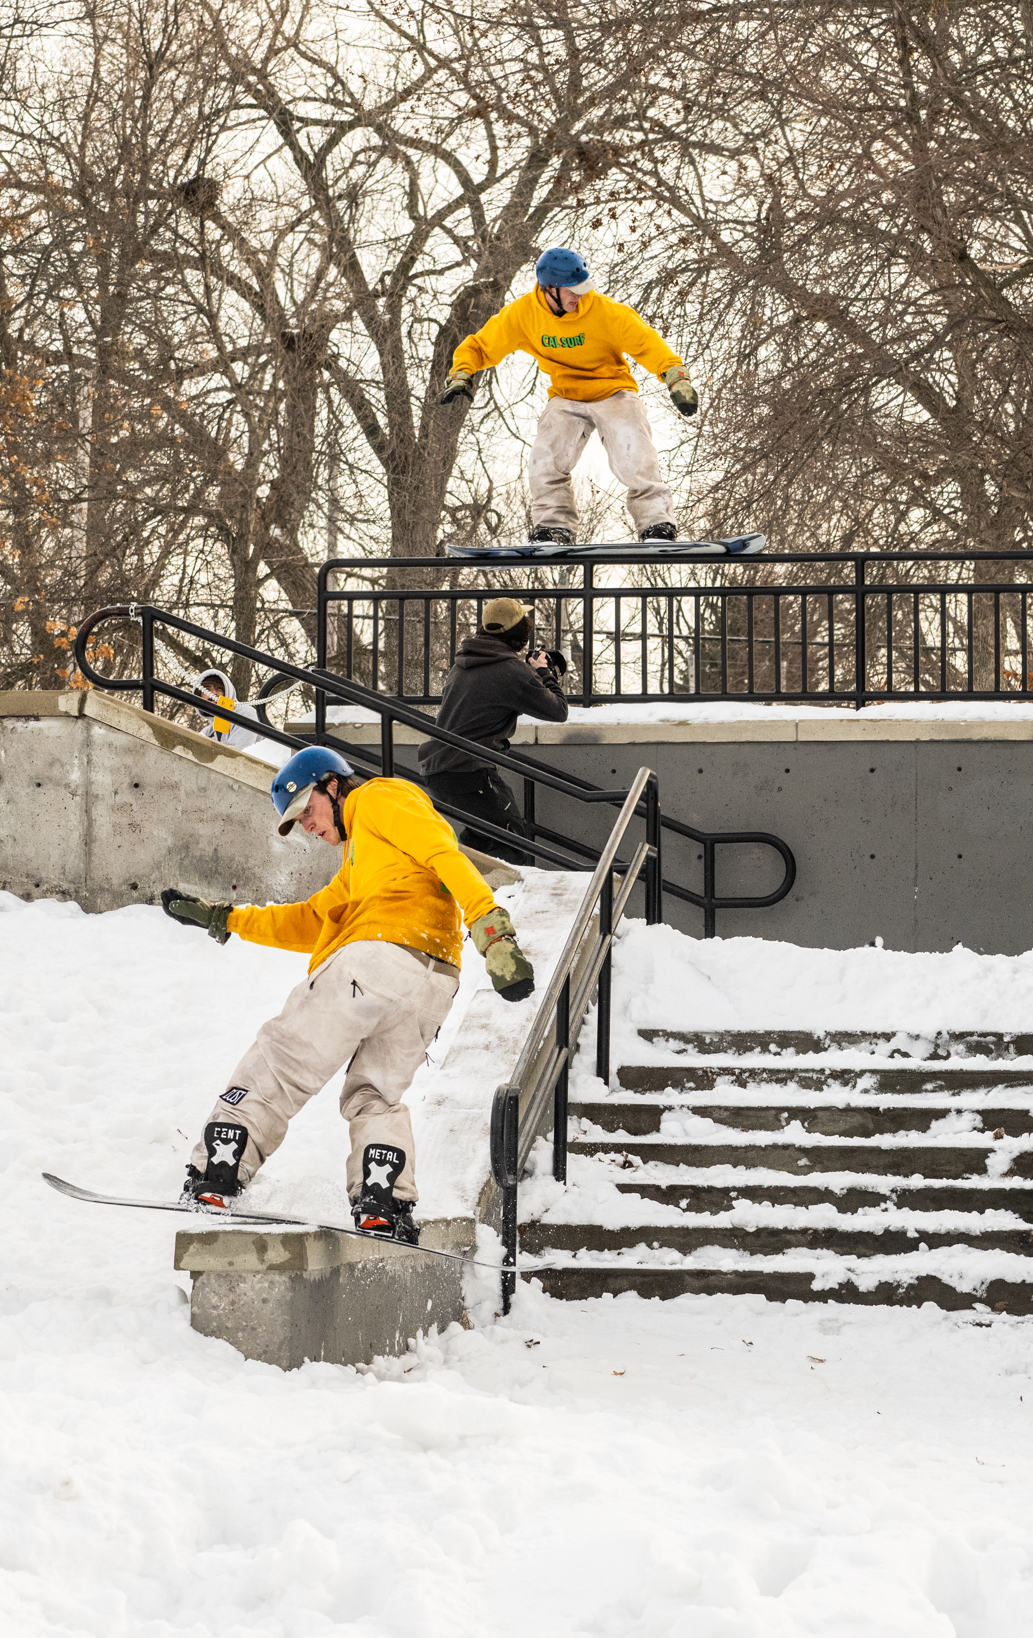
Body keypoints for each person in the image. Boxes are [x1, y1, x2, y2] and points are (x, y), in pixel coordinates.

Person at [158, 746, 537, 1242]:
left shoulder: (381, 798)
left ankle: (219, 1170)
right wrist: (226, 918)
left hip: (376, 959)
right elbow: (312, 919)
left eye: (308, 810)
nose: (308, 826)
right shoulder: (363, 860)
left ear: (333, 784)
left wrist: (494, 932)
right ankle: (382, 1200)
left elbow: (445, 854)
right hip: (432, 983)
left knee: (282, 1060)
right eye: (298, 822)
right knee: (375, 1096)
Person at [439, 247, 699, 544]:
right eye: (571, 291)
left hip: (613, 391)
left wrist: (676, 378)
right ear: (549, 289)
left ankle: (657, 524)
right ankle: (554, 527)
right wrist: (462, 372)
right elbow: (481, 345)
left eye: (582, 288)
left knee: (633, 450)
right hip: (565, 396)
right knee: (545, 457)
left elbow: (649, 344)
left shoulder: (607, 312)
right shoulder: (523, 315)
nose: (579, 296)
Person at [417, 597, 569, 867]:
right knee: (512, 842)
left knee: (482, 841)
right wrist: (544, 672)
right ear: (520, 633)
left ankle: (460, 884)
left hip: (439, 769)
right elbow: (558, 710)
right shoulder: (512, 672)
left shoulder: (463, 663)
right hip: (468, 770)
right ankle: (493, 893)